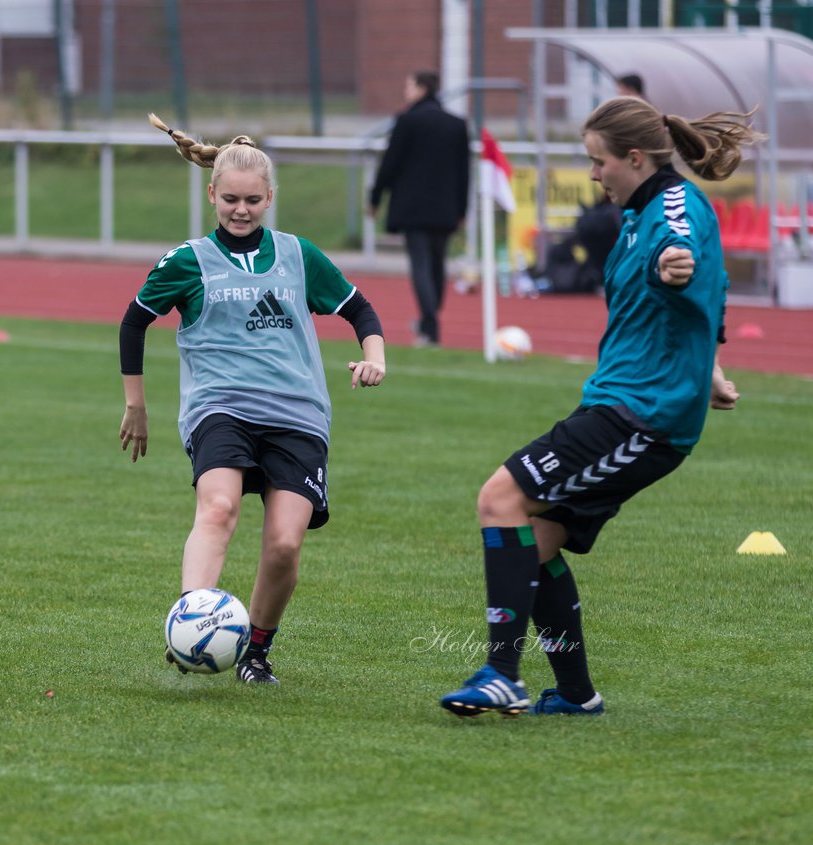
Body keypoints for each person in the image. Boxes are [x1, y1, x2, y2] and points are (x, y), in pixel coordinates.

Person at [439, 96, 761, 717]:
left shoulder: (670, 208)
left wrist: (676, 270)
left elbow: (688, 256)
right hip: (631, 401)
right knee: (534, 538)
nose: (593, 174)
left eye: (598, 161)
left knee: (498, 500)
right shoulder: (639, 211)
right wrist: (712, 364)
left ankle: (501, 673)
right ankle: (577, 694)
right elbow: (702, 297)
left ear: (634, 158)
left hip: (643, 414)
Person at [120, 113, 387, 684]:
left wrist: (376, 356)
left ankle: (257, 651)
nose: (241, 211)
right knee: (218, 508)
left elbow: (359, 309)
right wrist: (136, 405)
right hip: (220, 407)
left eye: (253, 201)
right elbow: (133, 322)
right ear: (212, 194)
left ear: (270, 198)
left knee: (286, 545)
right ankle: (191, 623)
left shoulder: (298, 255)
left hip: (298, 413)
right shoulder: (187, 260)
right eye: (231, 200)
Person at [368, 71, 470, 347]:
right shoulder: (457, 124)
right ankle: (428, 320)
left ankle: (430, 327)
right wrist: (462, 208)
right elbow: (464, 172)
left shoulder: (407, 121)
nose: (406, 90)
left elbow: (390, 163)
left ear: (423, 88)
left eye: (409, 85)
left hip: (413, 208)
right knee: (437, 266)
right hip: (446, 208)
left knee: (422, 266)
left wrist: (375, 197)